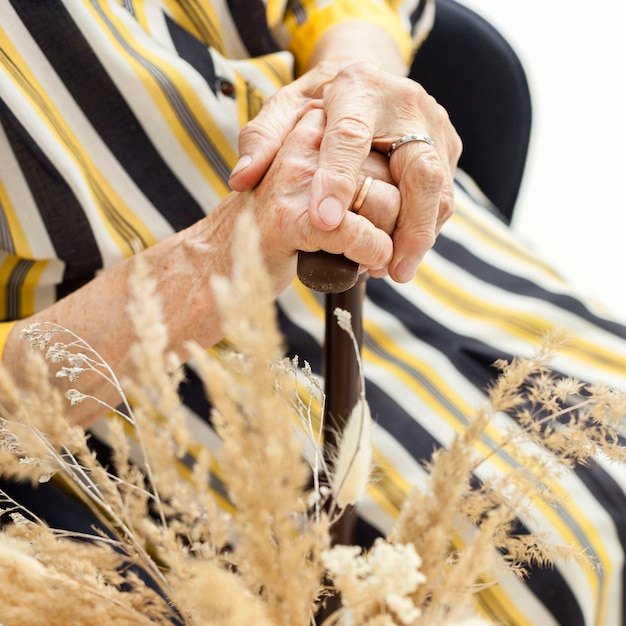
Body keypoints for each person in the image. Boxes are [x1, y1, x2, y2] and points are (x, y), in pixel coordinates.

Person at [1, 2, 626, 625]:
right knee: (515, 584)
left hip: (390, 219)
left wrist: (357, 90)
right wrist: (223, 257)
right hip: (136, 377)